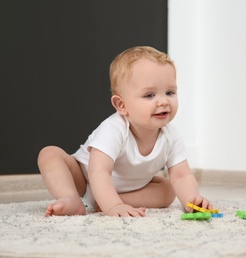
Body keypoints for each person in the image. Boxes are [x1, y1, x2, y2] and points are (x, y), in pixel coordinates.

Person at [37, 46, 213, 217]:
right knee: (49, 154)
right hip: (83, 179)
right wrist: (113, 207)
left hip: (127, 189)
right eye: (150, 95)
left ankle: (102, 201)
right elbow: (98, 172)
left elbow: (181, 175)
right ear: (121, 105)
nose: (163, 101)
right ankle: (69, 196)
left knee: (168, 190)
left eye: (169, 92)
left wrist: (192, 200)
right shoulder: (114, 129)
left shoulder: (170, 135)